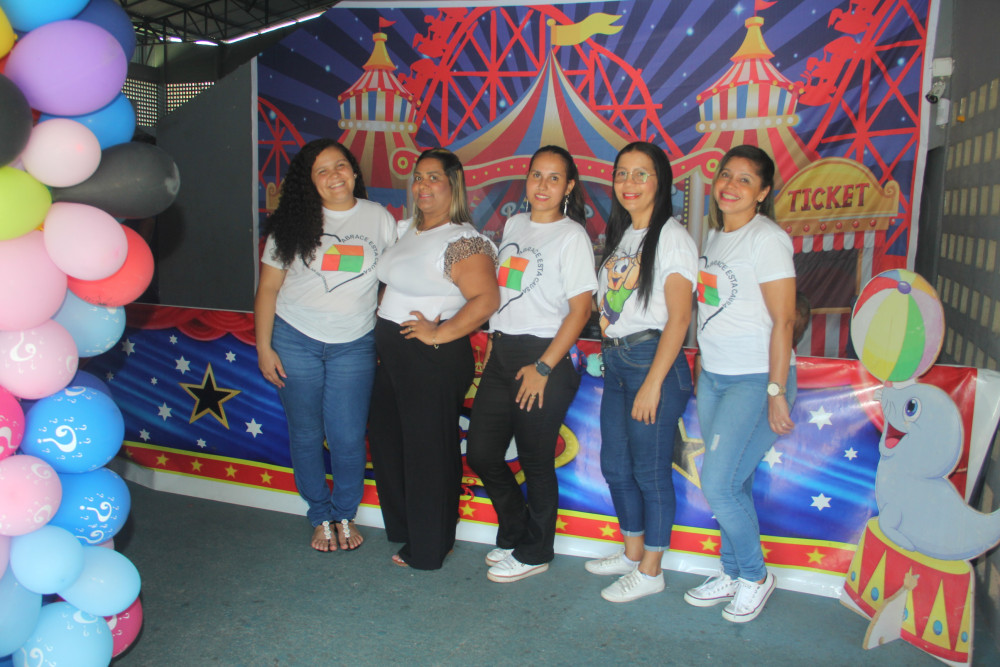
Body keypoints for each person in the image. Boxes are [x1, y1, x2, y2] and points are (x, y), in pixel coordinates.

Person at [254, 138, 397, 552]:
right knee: (305, 433)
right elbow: (267, 289)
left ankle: (345, 514)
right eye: (322, 170)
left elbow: (393, 278)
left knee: (348, 437)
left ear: (353, 170)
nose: (334, 175)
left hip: (354, 344)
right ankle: (320, 515)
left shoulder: (378, 217)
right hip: (294, 338)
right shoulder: (291, 223)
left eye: (340, 165)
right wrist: (264, 348)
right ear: (310, 181)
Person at [466, 145, 597, 583]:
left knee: (535, 460)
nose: (543, 185)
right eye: (536, 175)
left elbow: (581, 310)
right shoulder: (514, 224)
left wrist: (542, 368)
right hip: (502, 351)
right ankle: (515, 528)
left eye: (554, 178)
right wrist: (493, 339)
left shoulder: (572, 236)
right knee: (482, 453)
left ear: (569, 186)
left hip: (544, 356)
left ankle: (536, 550)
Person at [369, 147, 500, 570]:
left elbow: (486, 299)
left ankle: (429, 548)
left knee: (428, 454)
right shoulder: (411, 230)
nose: (423, 185)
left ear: (453, 185)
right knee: (390, 445)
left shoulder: (462, 240)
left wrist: (438, 333)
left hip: (430, 358)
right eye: (418, 177)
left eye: (434, 177)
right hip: (394, 356)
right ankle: (411, 530)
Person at [684, 144, 797, 623]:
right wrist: (703, 369)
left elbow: (784, 320)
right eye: (726, 175)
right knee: (735, 482)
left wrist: (775, 391)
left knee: (717, 484)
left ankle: (755, 575)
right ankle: (732, 571)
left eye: (745, 179)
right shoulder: (715, 236)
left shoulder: (766, 239)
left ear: (764, 192)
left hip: (755, 380)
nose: (731, 186)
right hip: (715, 378)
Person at [586, 141, 698, 602]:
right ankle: (633, 553)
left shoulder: (671, 236)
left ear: (660, 182)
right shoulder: (624, 235)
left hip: (652, 365)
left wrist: (653, 383)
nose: (628, 183)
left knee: (649, 472)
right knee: (615, 466)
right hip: (618, 363)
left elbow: (679, 317)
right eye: (622, 173)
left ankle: (652, 570)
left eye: (640, 174)